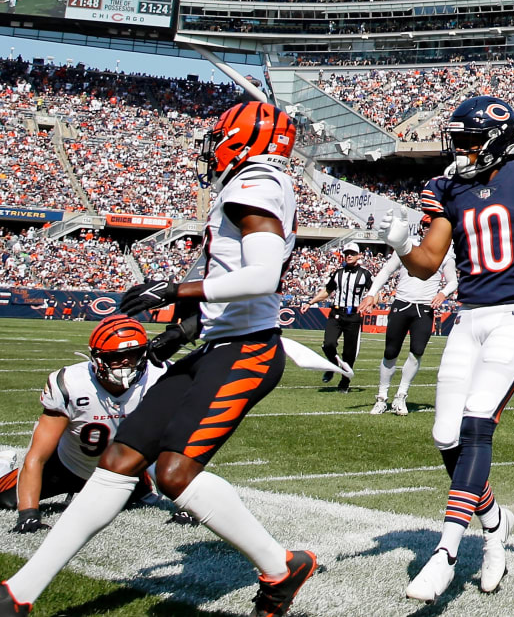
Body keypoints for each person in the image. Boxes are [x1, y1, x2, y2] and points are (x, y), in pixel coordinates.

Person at [1, 101, 317, 617]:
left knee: (172, 474)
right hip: (219, 346)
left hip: (247, 352)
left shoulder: (253, 182)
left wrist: (174, 288)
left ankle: (282, 567)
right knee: (120, 461)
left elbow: (260, 277)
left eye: (219, 135)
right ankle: (21, 592)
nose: (211, 146)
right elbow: (229, 279)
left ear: (244, 137)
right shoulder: (253, 185)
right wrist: (178, 331)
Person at [383, 95, 514, 602]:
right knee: (444, 436)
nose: (459, 150)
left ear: (497, 141)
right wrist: (400, 245)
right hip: (468, 317)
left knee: (478, 420)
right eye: (456, 141)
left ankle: (447, 550)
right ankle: (494, 523)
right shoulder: (447, 189)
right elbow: (427, 261)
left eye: (468, 141)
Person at [0, 317, 170, 529]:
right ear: (97, 358)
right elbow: (37, 455)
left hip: (120, 472)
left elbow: (176, 443)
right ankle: (3, 464)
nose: (125, 363)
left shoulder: (160, 377)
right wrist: (29, 514)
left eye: (132, 355)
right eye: (116, 357)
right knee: (5, 500)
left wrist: (186, 505)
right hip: (66, 467)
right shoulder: (72, 383)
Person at [359, 214, 456, 415]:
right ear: (421, 227)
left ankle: (401, 395)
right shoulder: (407, 246)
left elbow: (453, 281)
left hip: (424, 308)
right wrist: (371, 294)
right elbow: (386, 271)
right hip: (402, 304)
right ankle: (381, 396)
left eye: (434, 226)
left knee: (417, 351)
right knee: (390, 352)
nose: (430, 229)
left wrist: (443, 293)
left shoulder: (446, 254)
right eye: (427, 225)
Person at [306, 242, 373, 391]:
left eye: (352, 253)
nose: (348, 256)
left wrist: (370, 303)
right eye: (346, 253)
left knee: (349, 352)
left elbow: (375, 293)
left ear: (359, 255)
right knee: (328, 344)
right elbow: (327, 291)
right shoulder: (338, 273)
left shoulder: (365, 274)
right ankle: (332, 365)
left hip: (353, 315)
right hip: (336, 313)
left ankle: (344, 382)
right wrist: (310, 302)